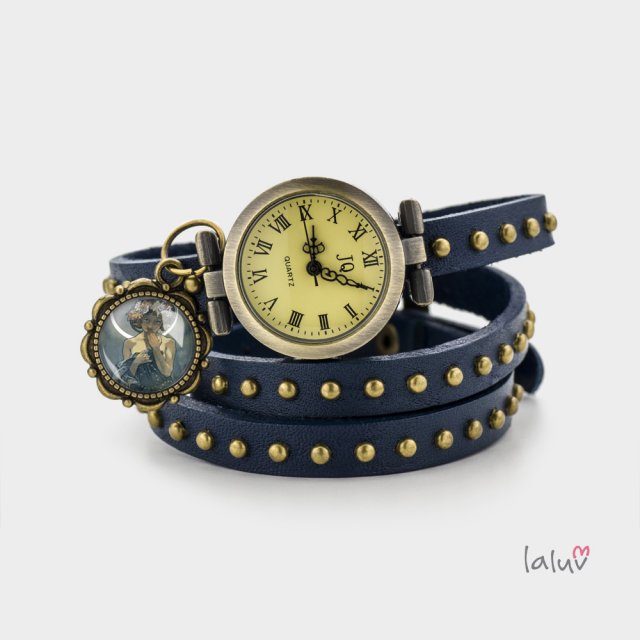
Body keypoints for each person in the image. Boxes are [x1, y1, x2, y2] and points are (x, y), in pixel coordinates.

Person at [116, 300, 176, 391]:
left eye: (157, 321)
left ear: (162, 323)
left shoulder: (168, 342)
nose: (151, 325)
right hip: (139, 390)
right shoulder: (129, 343)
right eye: (147, 320)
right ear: (140, 320)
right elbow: (127, 376)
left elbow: (167, 373)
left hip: (165, 389)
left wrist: (156, 348)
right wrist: (136, 362)